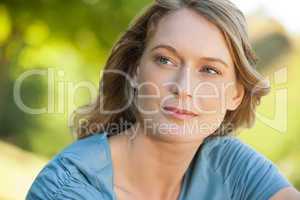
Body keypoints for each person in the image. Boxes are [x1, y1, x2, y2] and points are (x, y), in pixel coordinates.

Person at [26, 0, 300, 199]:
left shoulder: (230, 166)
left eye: (209, 70)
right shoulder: (66, 188)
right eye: (165, 60)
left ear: (236, 94)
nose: (183, 87)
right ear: (134, 70)